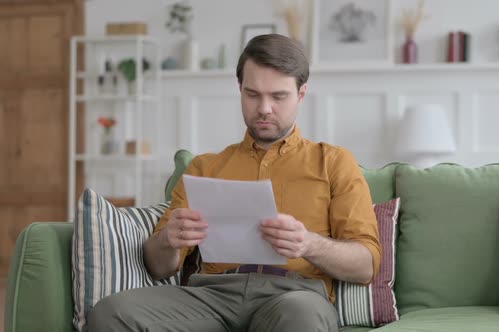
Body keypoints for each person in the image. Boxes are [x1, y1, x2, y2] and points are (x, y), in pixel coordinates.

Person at [88, 34, 381, 332]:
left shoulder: (333, 162)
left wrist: (309, 243)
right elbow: (158, 266)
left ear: (301, 94)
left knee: (300, 317)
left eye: (278, 96)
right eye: (253, 94)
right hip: (212, 296)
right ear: (239, 89)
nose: (264, 108)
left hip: (295, 296)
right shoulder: (205, 167)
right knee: (112, 313)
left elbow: (366, 265)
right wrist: (168, 240)